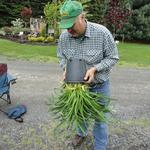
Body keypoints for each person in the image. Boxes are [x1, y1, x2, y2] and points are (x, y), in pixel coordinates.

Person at [57, 0, 119, 150]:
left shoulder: (102, 33)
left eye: (72, 25)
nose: (69, 30)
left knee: (100, 119)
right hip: (76, 88)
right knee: (80, 113)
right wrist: (65, 68)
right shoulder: (64, 37)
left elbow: (113, 57)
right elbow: (61, 56)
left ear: (82, 16)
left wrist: (95, 69)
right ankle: (81, 133)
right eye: (66, 26)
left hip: (99, 86)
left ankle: (100, 146)